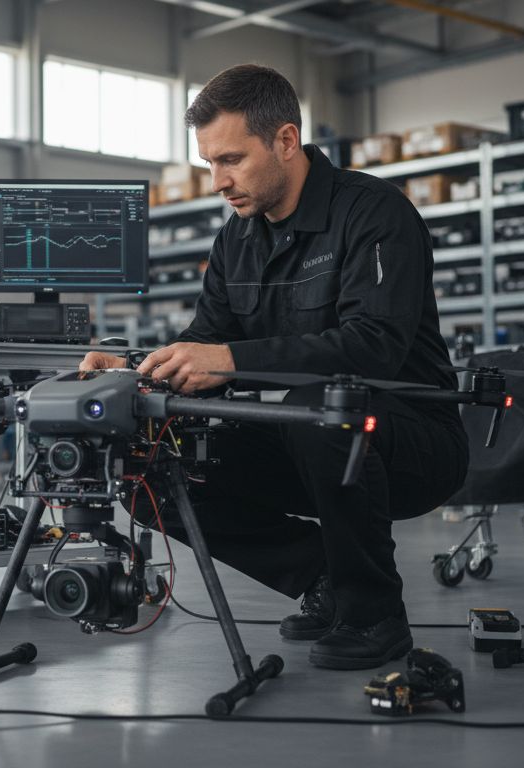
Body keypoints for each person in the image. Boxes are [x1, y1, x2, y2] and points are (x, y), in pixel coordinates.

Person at [79, 64, 469, 670]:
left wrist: (231, 360)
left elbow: (375, 347)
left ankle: (374, 614)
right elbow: (204, 343)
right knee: (153, 468)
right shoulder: (236, 239)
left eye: (230, 159)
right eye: (210, 162)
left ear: (286, 141)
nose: (218, 180)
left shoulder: (374, 213)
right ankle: (326, 579)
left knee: (318, 409)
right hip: (305, 438)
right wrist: (134, 369)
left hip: (411, 439)